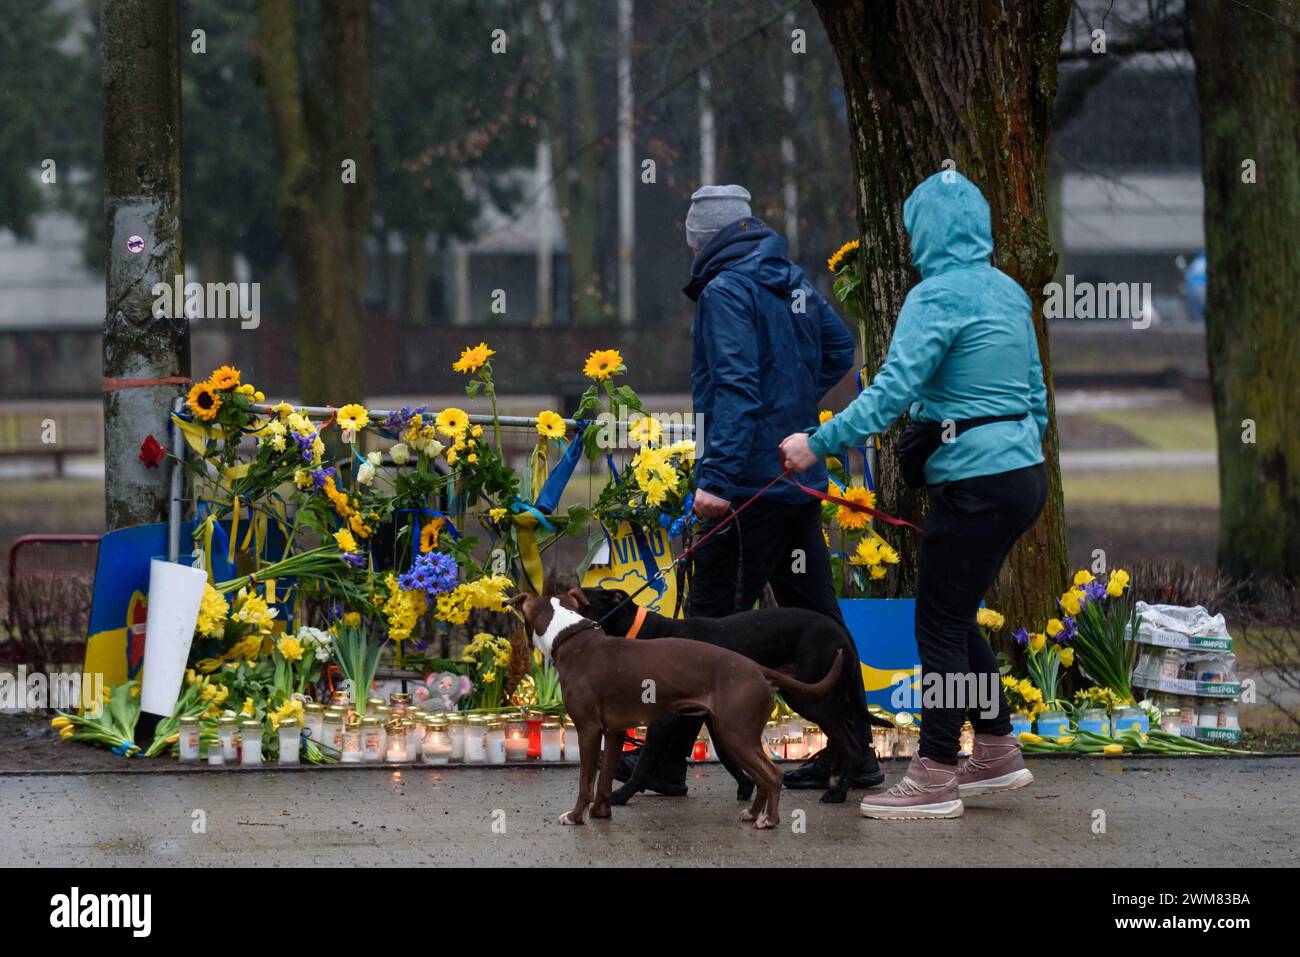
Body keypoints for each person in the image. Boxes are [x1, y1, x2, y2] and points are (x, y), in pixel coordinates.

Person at [780, 170, 1049, 820]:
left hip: (976, 483)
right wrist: (1011, 447)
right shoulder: (1007, 290)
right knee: (955, 613)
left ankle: (933, 774)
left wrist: (816, 442)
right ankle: (995, 747)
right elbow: (1036, 395)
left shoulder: (936, 295)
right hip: (1023, 475)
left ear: (923, 231)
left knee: (936, 623)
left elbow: (891, 392)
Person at [617, 184, 885, 797]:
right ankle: (858, 753)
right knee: (821, 621)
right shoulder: (789, 279)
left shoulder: (725, 290)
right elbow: (840, 350)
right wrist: (791, 409)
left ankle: (660, 766)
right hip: (796, 481)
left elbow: (735, 389)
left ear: (703, 240)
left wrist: (715, 481)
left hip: (744, 490)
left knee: (702, 632)